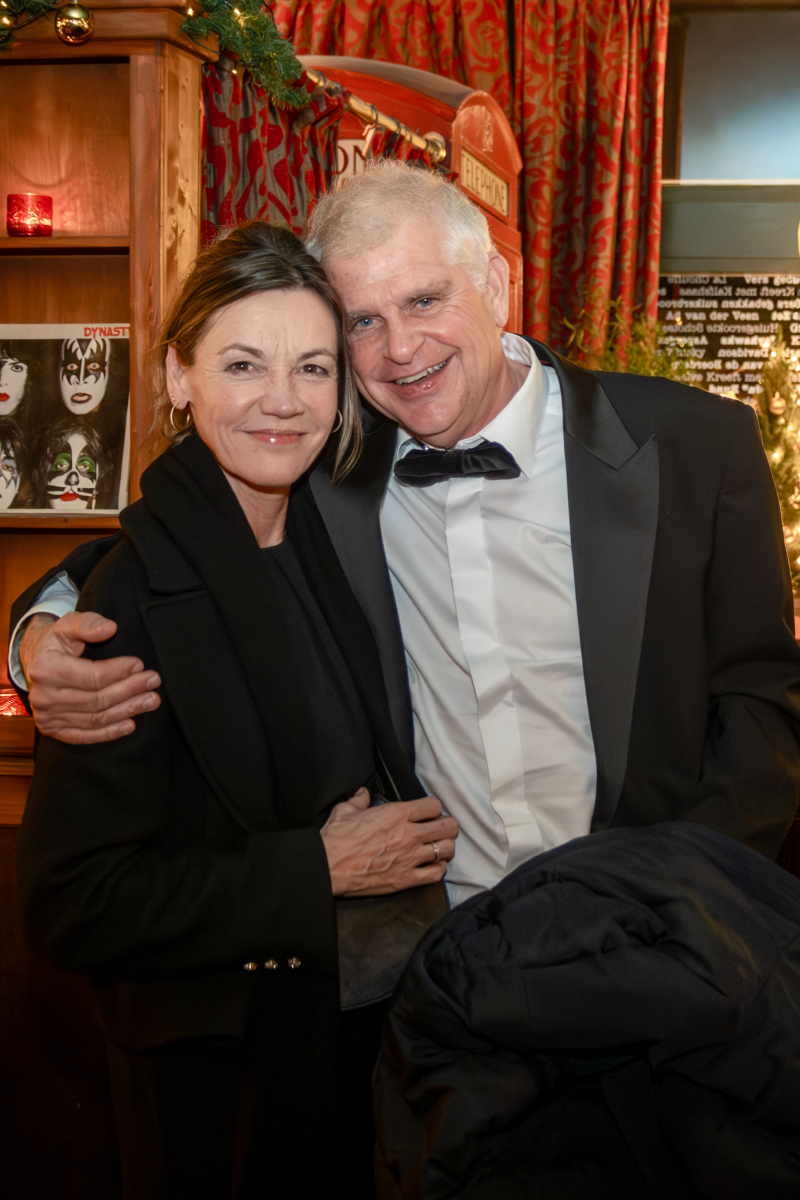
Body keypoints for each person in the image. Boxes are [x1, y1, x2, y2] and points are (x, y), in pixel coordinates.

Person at [11, 160, 800, 901]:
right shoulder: (325, 461)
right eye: (362, 320)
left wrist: (686, 888)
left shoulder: (694, 447)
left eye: (425, 301)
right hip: (436, 947)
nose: (399, 348)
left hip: (660, 922)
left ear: (495, 286)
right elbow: (172, 540)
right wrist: (37, 634)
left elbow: (763, 698)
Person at [15, 221, 457, 1200]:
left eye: (311, 368)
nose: (282, 401)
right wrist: (317, 870)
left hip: (345, 1041)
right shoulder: (127, 608)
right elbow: (74, 903)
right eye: (243, 364)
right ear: (178, 376)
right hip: (216, 1088)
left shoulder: (318, 528)